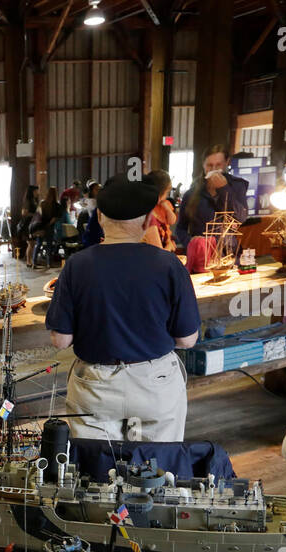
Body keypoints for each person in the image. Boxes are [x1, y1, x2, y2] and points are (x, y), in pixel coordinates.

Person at [47, 174, 200, 441]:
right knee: (157, 472)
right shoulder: (169, 266)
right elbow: (187, 340)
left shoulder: (77, 266)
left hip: (96, 385)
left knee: (95, 472)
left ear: (102, 219)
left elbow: (61, 340)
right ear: (147, 221)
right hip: (155, 382)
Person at [174, 145, 249, 268]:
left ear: (226, 163)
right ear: (203, 166)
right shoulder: (191, 194)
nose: (213, 169)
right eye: (209, 165)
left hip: (228, 255)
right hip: (201, 257)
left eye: (218, 165)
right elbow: (180, 228)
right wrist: (191, 243)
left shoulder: (237, 186)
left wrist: (224, 189)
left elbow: (240, 218)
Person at [142, 170, 178, 252]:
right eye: (166, 193)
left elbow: (172, 220)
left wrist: (167, 208)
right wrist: (170, 246)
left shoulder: (165, 205)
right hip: (156, 254)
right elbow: (158, 254)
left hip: (164, 243)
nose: (166, 196)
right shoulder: (148, 215)